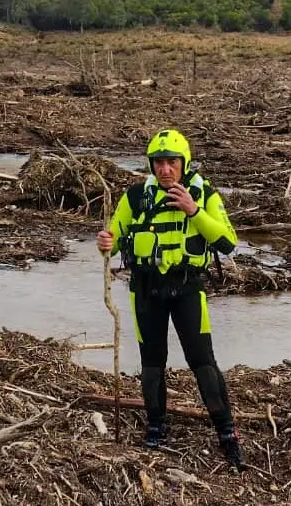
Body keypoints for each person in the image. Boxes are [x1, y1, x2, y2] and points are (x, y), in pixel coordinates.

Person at [96, 128, 244, 469]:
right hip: (147, 290)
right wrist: (105, 242)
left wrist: (193, 210)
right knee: (152, 362)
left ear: (184, 163)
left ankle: (226, 431)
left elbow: (227, 242)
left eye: (171, 162)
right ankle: (156, 426)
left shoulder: (204, 193)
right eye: (158, 163)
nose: (165, 169)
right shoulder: (135, 197)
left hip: (187, 287)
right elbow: (114, 239)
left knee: (202, 360)